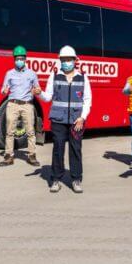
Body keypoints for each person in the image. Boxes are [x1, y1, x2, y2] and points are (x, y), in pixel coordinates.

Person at [39, 45, 92, 193]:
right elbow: (47, 97)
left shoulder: (82, 77)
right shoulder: (54, 75)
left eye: (69, 59)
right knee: (58, 149)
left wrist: (82, 117)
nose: (66, 62)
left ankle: (76, 179)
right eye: (63, 59)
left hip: (76, 121)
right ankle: (56, 179)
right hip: (58, 120)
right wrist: (38, 93)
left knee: (76, 149)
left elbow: (87, 99)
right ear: (60, 60)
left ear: (75, 60)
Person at [0, 45, 41, 167]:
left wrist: (37, 90)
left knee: (30, 132)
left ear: (25, 59)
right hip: (12, 104)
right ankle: (8, 156)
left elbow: (37, 88)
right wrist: (4, 90)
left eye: (22, 58)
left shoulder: (32, 74)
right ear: (14, 59)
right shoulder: (9, 73)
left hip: (27, 105)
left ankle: (32, 156)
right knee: (9, 132)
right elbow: (4, 88)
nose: (19, 61)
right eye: (17, 58)